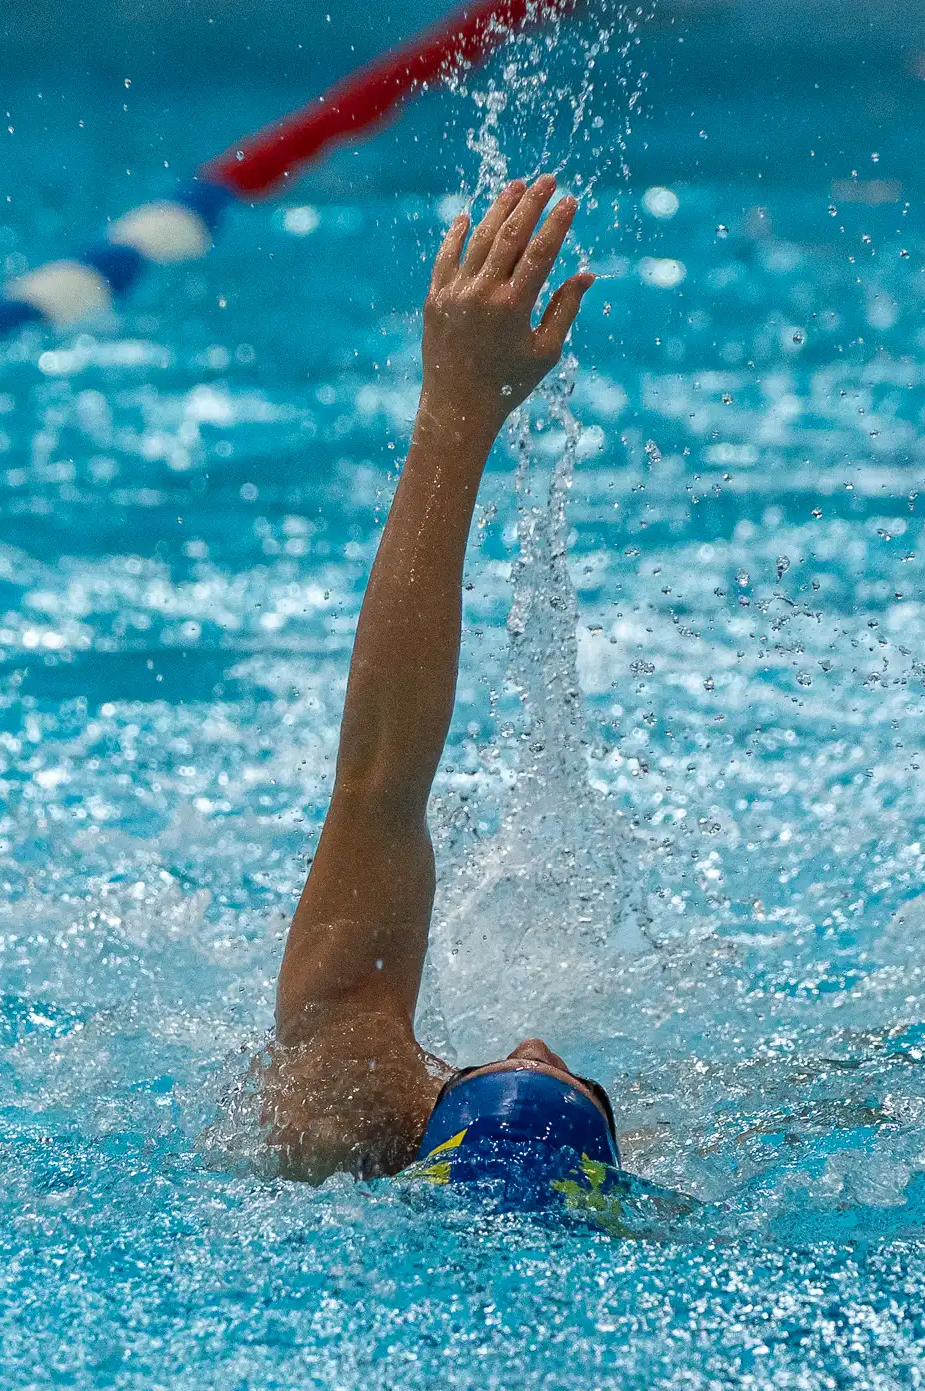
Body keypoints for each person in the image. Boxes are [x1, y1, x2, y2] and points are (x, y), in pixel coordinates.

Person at [259, 175, 616, 1194]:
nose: (538, 1033)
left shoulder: (339, 1100)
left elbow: (380, 775)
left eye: (503, 1062)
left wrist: (457, 407)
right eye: (575, 1073)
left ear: (420, 1111)